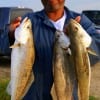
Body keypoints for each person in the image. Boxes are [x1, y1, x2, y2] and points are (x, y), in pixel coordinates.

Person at [0, 0, 100, 100]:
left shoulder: (80, 21)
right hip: (33, 96)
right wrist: (10, 35)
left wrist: (78, 42)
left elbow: (97, 50)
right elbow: (3, 47)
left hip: (68, 95)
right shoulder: (30, 20)